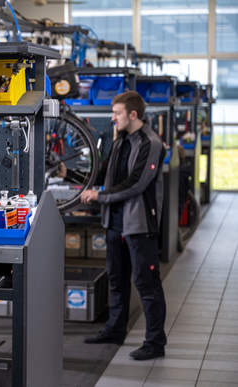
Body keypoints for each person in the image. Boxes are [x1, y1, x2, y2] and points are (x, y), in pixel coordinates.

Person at [81, 90, 167, 361]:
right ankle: (115, 330)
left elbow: (136, 183)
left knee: (146, 283)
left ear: (133, 114)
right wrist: (69, 174)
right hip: (115, 222)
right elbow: (104, 172)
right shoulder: (120, 140)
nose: (112, 118)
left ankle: (155, 342)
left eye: (117, 113)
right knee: (116, 279)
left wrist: (100, 196)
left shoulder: (151, 143)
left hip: (140, 225)